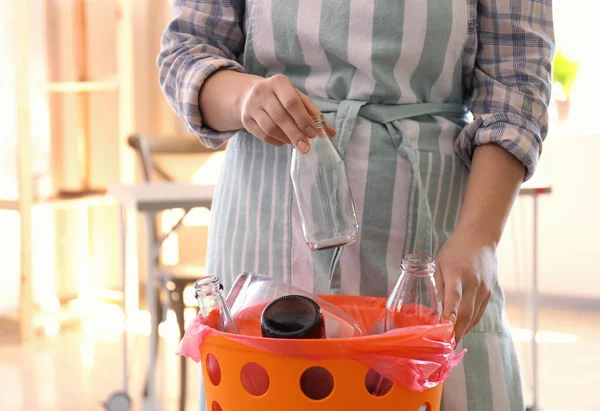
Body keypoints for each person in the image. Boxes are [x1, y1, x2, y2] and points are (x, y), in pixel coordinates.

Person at [158, 0, 554, 409]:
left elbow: (516, 89)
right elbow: (186, 53)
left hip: (432, 237)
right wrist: (245, 98)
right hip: (268, 221)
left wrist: (479, 238)